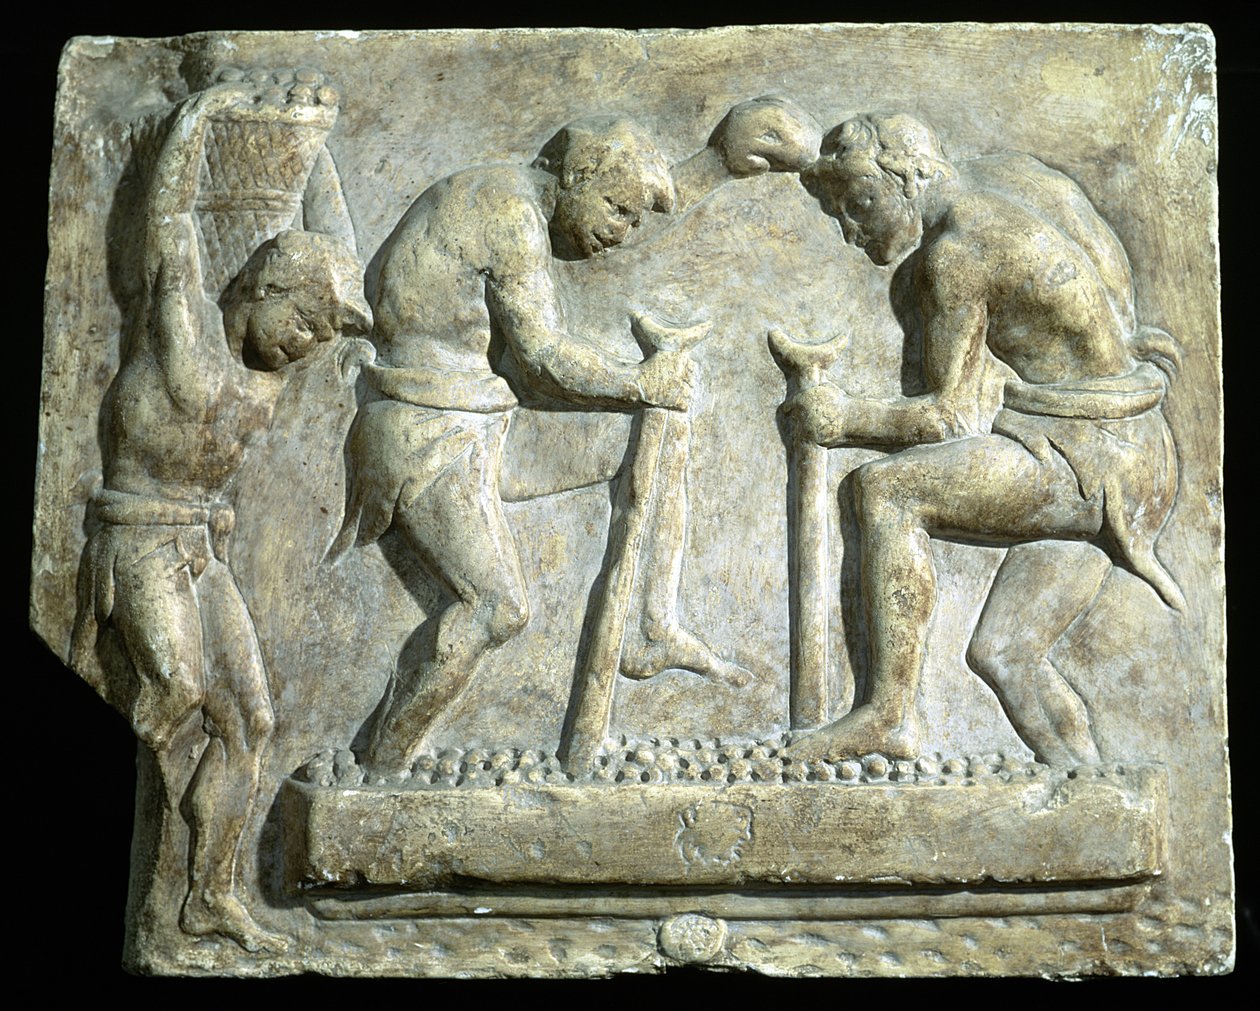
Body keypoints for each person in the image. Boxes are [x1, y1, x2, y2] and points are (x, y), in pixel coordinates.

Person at [339, 103, 821, 779]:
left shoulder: (521, 195)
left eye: (630, 219)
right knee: (496, 608)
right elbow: (541, 358)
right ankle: (380, 766)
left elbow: (621, 201)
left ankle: (651, 625)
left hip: (480, 416)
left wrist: (717, 164)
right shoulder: (508, 215)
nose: (621, 234)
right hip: (425, 430)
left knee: (654, 432)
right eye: (617, 212)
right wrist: (638, 380)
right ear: (576, 178)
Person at [782, 113, 1182, 766]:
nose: (852, 230)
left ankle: (889, 714)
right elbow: (1114, 278)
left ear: (907, 177)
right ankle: (1086, 787)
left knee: (886, 491)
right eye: (840, 216)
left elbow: (947, 419)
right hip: (1141, 443)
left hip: (1089, 452)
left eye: (859, 204)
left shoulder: (955, 254)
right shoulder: (1010, 177)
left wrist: (841, 418)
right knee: (1006, 652)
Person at [71, 82, 371, 953]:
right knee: (177, 691)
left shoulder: (270, 372)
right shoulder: (187, 332)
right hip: (138, 539)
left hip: (202, 546)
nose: (305, 346)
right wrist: (195, 120)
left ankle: (207, 895)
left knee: (251, 720)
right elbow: (168, 227)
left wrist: (317, 152)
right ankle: (143, 860)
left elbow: (337, 251)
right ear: (264, 286)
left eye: (319, 337)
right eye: (303, 324)